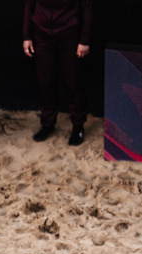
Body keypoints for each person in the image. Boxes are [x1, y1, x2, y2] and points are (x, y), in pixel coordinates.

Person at [22, 0, 93, 146]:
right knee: (45, 82)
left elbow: (87, 7)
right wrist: (26, 36)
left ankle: (78, 126)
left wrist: (84, 39)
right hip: (41, 34)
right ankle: (48, 123)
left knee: (74, 82)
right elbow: (29, 5)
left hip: (69, 33)